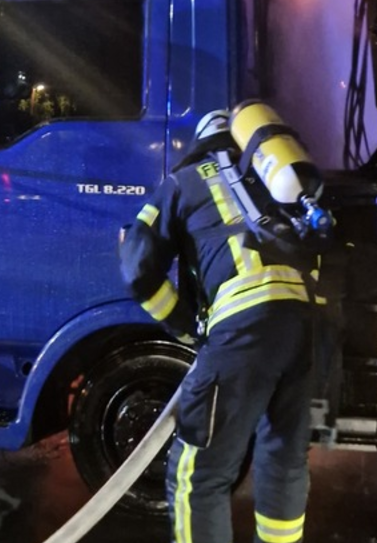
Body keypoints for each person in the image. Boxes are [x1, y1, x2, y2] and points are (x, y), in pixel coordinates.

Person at [118, 108, 323, 543]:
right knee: (283, 460)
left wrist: (186, 327)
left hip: (244, 330)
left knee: (200, 474)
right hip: (309, 327)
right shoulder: (270, 178)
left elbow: (137, 264)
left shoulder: (184, 181)